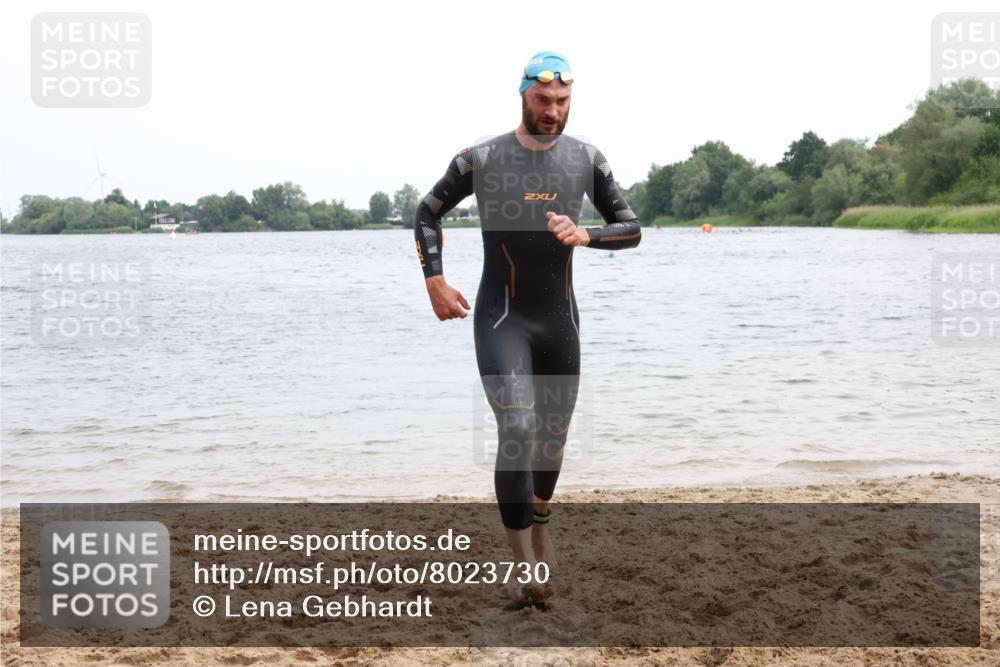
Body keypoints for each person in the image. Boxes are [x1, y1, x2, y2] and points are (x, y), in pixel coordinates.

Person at [413, 51, 642, 604]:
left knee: (552, 443)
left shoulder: (587, 159)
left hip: (559, 322)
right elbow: (426, 212)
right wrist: (435, 280)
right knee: (517, 432)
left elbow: (631, 228)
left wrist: (587, 234)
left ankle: (540, 532)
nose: (553, 110)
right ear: (523, 95)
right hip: (503, 319)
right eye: (543, 100)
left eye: (562, 101)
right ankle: (523, 565)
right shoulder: (483, 158)